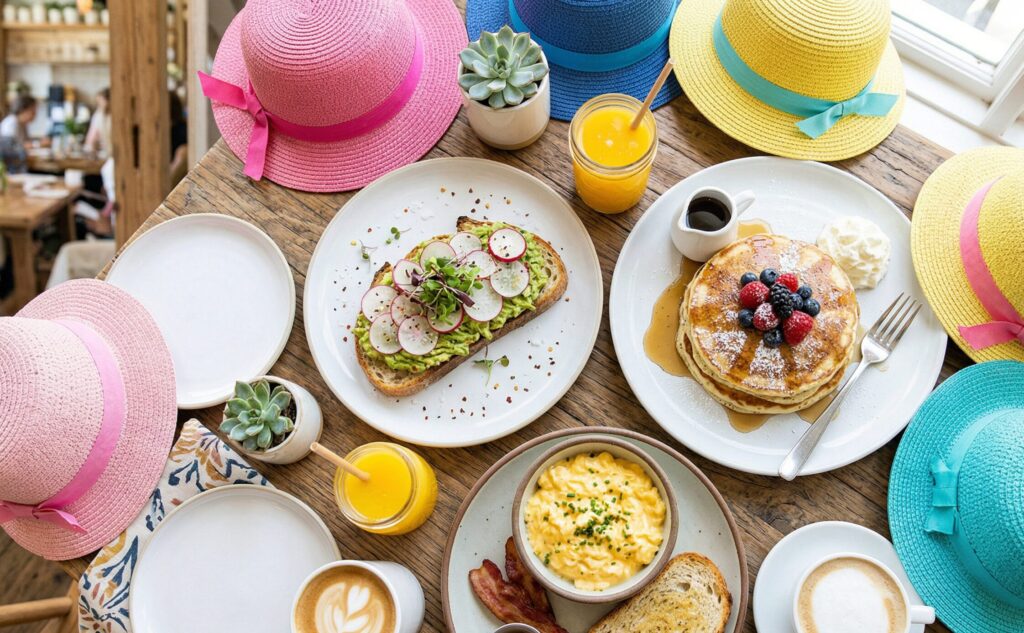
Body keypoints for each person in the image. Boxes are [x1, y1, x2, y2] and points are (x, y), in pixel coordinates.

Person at [0, 95, 38, 174]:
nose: (35, 115)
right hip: (11, 170)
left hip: (19, 167)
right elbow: (11, 150)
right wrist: (36, 144)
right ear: (23, 110)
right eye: (33, 112)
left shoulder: (22, 125)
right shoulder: (10, 124)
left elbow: (25, 143)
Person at [84, 87, 112, 155]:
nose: (99, 105)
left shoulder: (115, 116)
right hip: (106, 153)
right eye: (98, 103)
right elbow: (91, 139)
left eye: (101, 101)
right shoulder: (98, 116)